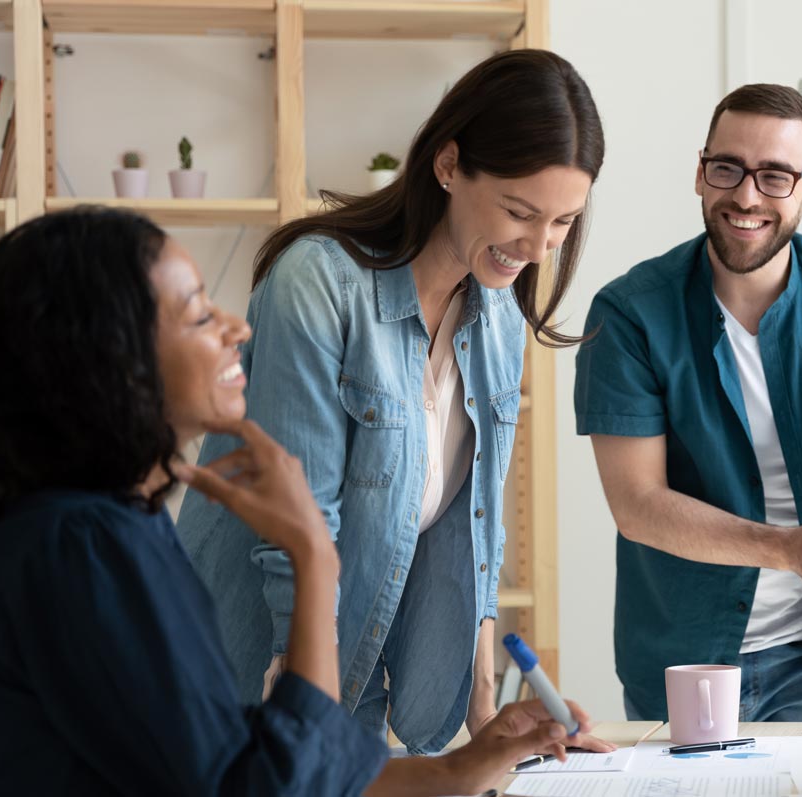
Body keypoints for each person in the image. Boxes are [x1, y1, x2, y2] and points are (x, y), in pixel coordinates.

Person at [0, 207, 594, 795]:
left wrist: (465, 766)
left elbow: (247, 759)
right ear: (109, 359)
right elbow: (264, 785)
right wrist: (311, 555)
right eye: (197, 313)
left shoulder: (105, 527)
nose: (236, 329)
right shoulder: (81, 547)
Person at [175, 49, 612, 753]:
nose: (536, 247)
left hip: (353, 674)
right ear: (447, 166)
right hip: (252, 670)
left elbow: (478, 526)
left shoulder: (496, 312)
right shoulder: (319, 284)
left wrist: (487, 715)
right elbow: (299, 525)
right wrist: (304, 714)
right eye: (518, 211)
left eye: (562, 222)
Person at [573, 84, 802, 723]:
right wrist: (786, 549)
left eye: (775, 176)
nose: (745, 195)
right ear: (700, 173)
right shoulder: (629, 314)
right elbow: (638, 505)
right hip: (682, 658)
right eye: (727, 169)